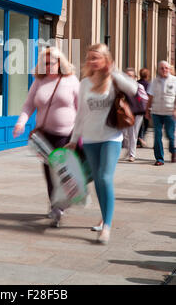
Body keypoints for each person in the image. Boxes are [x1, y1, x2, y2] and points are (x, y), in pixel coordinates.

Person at [66, 44, 137, 244]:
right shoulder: (84, 83)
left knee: (105, 178)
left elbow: (133, 89)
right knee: (98, 181)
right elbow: (80, 114)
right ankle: (105, 216)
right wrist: (73, 140)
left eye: (96, 57)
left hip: (111, 137)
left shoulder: (114, 80)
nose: (92, 61)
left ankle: (106, 225)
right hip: (89, 139)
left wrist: (114, 70)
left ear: (105, 59)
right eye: (90, 58)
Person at [13, 46, 79, 227]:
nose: (49, 66)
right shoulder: (38, 82)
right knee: (50, 173)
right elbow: (28, 105)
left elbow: (81, 109)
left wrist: (80, 133)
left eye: (53, 62)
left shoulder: (71, 80)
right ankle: (56, 207)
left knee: (63, 173)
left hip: (66, 136)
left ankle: (62, 203)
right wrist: (21, 122)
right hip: (43, 136)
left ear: (60, 63)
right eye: (45, 63)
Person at [146, 61, 176, 165]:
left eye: (166, 68)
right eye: (162, 68)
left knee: (170, 135)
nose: (164, 70)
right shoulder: (154, 81)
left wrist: (175, 110)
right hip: (156, 112)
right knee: (157, 136)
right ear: (158, 69)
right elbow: (150, 97)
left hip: (170, 113)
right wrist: (147, 110)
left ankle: (173, 151)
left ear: (169, 69)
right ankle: (159, 158)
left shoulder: (174, 81)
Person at [122, 68, 147, 162]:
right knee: (124, 133)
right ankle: (129, 150)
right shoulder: (122, 87)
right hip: (126, 113)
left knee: (133, 133)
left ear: (135, 77)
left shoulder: (139, 86)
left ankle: (132, 154)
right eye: (127, 76)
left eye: (130, 76)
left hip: (137, 113)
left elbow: (145, 98)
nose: (128, 78)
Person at [137, 68, 150, 148]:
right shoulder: (148, 84)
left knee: (139, 125)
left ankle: (139, 140)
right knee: (146, 123)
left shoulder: (136, 83)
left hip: (137, 106)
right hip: (145, 107)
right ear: (147, 75)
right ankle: (141, 138)